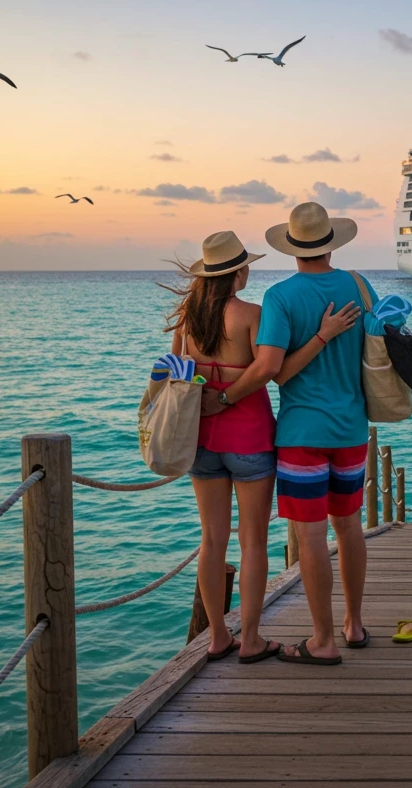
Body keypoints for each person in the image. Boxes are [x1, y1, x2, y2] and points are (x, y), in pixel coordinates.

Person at [165, 229, 358, 664]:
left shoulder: (185, 321)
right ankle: (250, 639)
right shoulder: (251, 314)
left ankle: (217, 636)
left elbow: (176, 373)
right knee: (252, 543)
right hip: (250, 437)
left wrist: (210, 395)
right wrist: (231, 394)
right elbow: (268, 371)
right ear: (238, 272)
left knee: (211, 540)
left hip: (201, 438)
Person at [214, 202, 373, 665]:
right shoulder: (359, 284)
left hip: (302, 432)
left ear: (292, 246)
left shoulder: (281, 298)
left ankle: (322, 640)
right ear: (331, 243)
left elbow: (277, 373)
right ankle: (354, 624)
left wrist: (318, 338)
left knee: (310, 537)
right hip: (352, 427)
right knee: (349, 527)